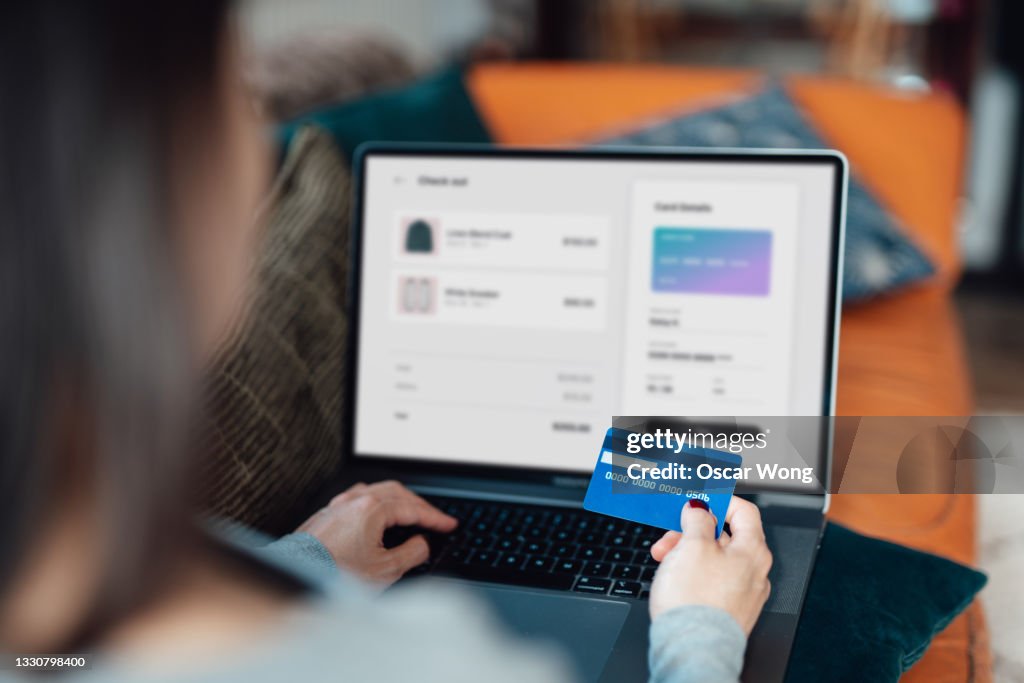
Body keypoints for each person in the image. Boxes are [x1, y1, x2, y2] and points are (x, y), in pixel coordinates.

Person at [0, 2, 772, 682]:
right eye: (240, 92)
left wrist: (303, 562)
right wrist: (699, 633)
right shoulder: (433, 663)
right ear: (163, 180)